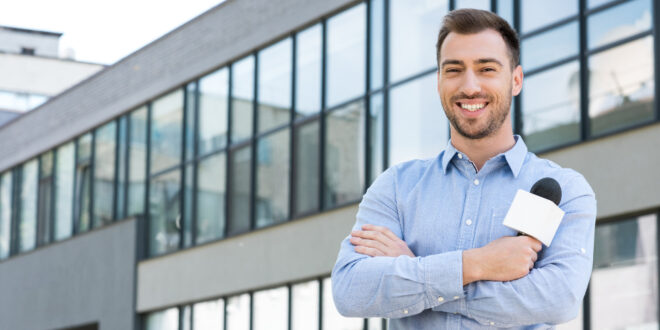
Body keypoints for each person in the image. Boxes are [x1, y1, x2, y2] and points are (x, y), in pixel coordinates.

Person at [331, 8, 597, 329]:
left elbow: (558, 298)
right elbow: (350, 290)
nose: (470, 86)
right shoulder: (396, 187)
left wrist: (416, 272)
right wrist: (478, 264)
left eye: (486, 68)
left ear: (515, 80)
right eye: (454, 70)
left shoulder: (565, 189)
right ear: (439, 81)